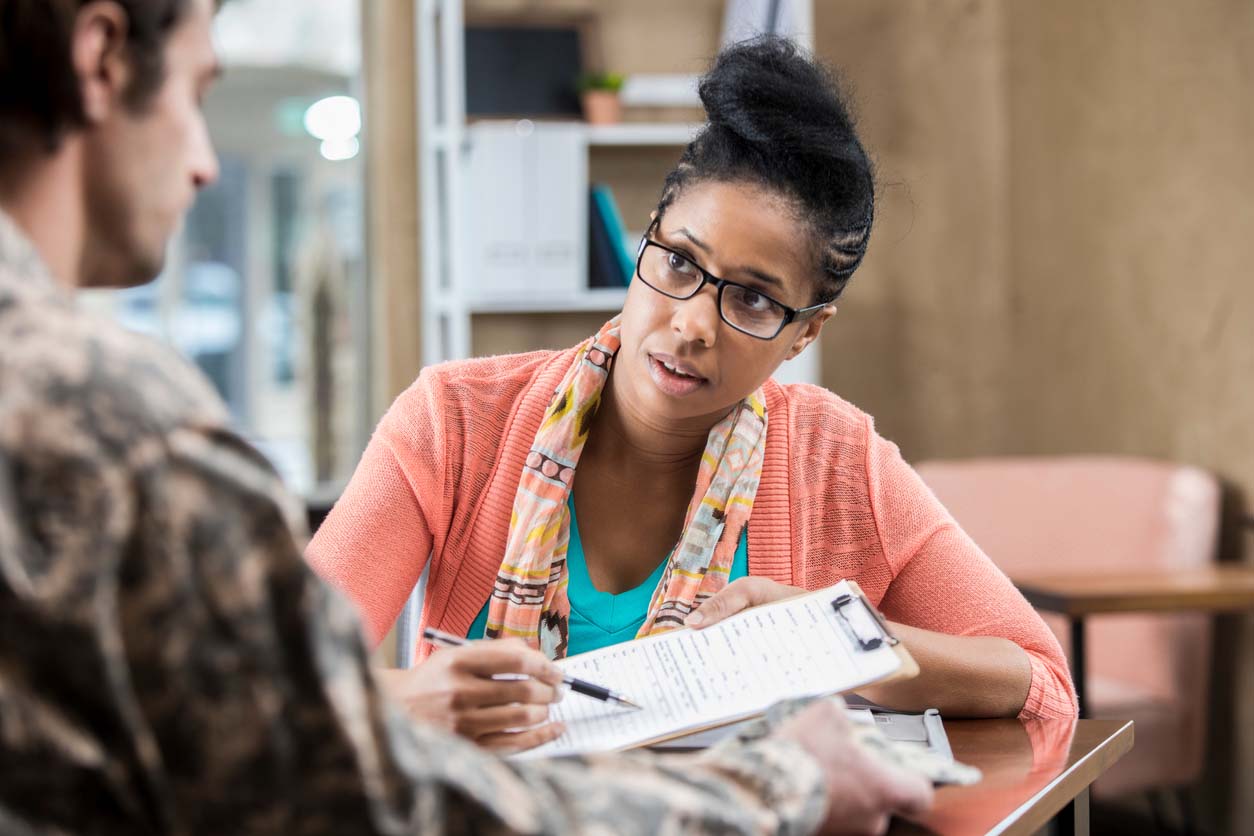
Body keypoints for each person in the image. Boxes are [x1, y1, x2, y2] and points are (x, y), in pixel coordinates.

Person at [0, 0, 933, 833]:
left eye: (755, 302)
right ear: (102, 58)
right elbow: (345, 784)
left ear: (805, 331)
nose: (205, 163)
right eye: (199, 94)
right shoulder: (117, 436)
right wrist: (778, 790)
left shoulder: (835, 446)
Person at [307, 37, 1079, 754]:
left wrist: (837, 640)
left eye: (751, 300)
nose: (692, 323)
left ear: (804, 335)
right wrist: (405, 701)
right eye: (679, 261)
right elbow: (264, 688)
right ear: (647, 237)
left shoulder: (839, 461)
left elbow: (1042, 686)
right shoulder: (454, 422)